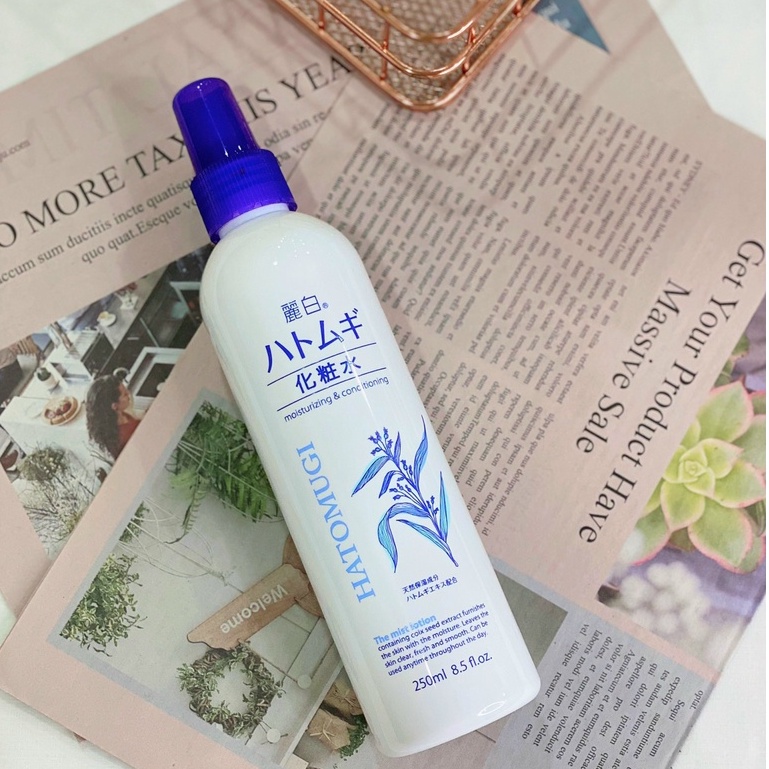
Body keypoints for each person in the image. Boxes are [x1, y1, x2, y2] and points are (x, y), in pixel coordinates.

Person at [86, 374, 141, 461]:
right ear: (114, 406)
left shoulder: (114, 420)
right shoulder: (126, 434)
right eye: (125, 394)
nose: (128, 393)